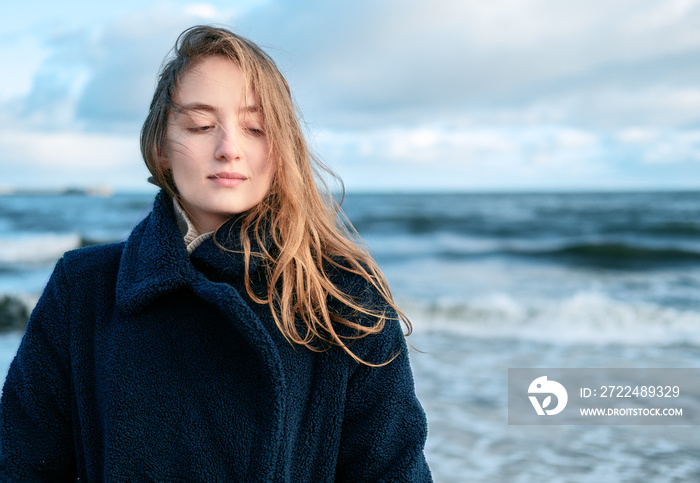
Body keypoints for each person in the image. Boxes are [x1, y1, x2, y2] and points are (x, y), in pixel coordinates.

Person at [0, 25, 431, 481]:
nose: (229, 149)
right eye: (202, 125)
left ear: (281, 147)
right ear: (161, 146)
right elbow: (23, 464)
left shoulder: (340, 293)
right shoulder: (84, 287)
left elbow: (392, 471)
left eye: (255, 128)